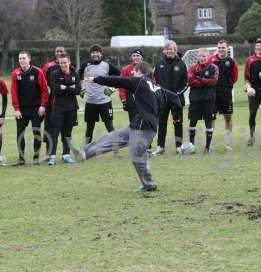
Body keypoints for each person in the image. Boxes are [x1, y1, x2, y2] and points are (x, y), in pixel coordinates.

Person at [69, 62, 182, 192]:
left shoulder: (140, 81)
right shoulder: (158, 87)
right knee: (110, 138)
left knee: (136, 156)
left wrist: (96, 79)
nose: (133, 73)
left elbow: (119, 81)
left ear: (142, 73)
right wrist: (176, 116)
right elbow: (175, 99)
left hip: (144, 128)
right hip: (137, 124)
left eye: (135, 71)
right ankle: (84, 153)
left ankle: (149, 184)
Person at [11, 50, 49, 165]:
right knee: (20, 133)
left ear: (29, 59)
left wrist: (43, 106)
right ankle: (21, 159)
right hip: (21, 109)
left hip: (36, 109)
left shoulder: (38, 72)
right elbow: (13, 92)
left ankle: (36, 158)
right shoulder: (15, 73)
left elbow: (45, 91)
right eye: (20, 58)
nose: (21, 60)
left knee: (36, 132)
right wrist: (16, 109)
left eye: (24, 58)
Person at [79, 44, 120, 145]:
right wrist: (82, 88)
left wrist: (112, 89)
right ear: (91, 54)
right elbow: (77, 78)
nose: (95, 54)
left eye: (97, 52)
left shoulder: (107, 66)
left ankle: (115, 149)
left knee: (109, 126)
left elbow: (121, 77)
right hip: (90, 102)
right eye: (93, 52)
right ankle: (87, 148)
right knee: (89, 127)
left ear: (101, 54)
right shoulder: (85, 65)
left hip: (105, 101)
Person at [153, 40, 187, 155]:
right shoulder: (159, 64)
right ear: (164, 51)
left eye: (171, 49)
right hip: (163, 100)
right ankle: (160, 147)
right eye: (167, 49)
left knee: (178, 122)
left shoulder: (181, 64)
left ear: (175, 50)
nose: (169, 51)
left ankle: (179, 146)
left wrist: (177, 94)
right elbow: (155, 81)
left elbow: (186, 82)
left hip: (177, 99)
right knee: (162, 123)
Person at [48, 54, 81, 165]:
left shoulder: (75, 74)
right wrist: (70, 87)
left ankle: (66, 155)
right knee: (54, 133)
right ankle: (52, 156)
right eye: (61, 62)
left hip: (71, 108)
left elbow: (78, 90)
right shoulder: (54, 74)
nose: (63, 64)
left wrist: (64, 87)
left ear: (69, 62)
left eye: (65, 62)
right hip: (58, 108)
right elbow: (55, 90)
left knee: (67, 134)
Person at [187, 48, 219, 153]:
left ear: (208, 57)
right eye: (200, 56)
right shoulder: (193, 68)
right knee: (192, 122)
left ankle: (207, 147)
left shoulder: (214, 67)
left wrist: (200, 79)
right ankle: (191, 146)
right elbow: (191, 81)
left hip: (208, 99)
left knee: (208, 123)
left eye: (204, 56)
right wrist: (205, 81)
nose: (202, 58)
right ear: (198, 57)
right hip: (195, 99)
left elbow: (214, 82)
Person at [208, 40, 238, 150]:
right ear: (217, 48)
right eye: (219, 47)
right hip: (213, 94)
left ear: (227, 49)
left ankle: (228, 143)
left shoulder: (231, 61)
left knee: (228, 118)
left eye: (223, 48)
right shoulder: (211, 60)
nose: (221, 49)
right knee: (211, 118)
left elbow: (234, 78)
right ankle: (210, 143)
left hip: (226, 94)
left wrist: (226, 86)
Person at [42, 46, 67, 158]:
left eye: (61, 51)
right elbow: (42, 81)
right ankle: (49, 153)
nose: (59, 53)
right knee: (49, 127)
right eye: (57, 51)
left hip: (65, 103)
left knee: (65, 128)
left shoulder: (68, 65)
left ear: (65, 52)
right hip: (50, 103)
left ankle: (65, 153)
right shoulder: (48, 66)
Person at [119, 49, 143, 122]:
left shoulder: (147, 68)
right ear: (131, 57)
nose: (136, 57)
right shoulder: (126, 69)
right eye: (134, 56)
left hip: (145, 99)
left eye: (138, 55)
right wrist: (123, 99)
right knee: (133, 122)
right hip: (131, 100)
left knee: (146, 122)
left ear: (142, 57)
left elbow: (153, 83)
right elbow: (121, 85)